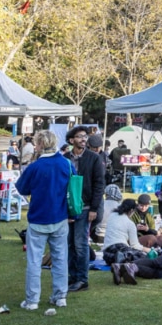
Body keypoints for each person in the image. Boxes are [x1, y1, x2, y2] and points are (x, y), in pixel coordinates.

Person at [15, 130, 72, 311]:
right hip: (60, 216)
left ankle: (32, 300)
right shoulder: (66, 164)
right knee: (60, 259)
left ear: (39, 145)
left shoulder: (35, 167)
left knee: (34, 261)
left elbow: (22, 189)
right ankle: (60, 296)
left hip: (39, 217)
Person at [64, 126, 105, 293]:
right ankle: (72, 276)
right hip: (68, 207)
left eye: (85, 136)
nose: (83, 139)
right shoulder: (65, 158)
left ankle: (82, 279)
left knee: (80, 244)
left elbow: (99, 184)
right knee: (69, 244)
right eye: (79, 136)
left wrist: (94, 208)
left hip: (86, 206)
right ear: (71, 140)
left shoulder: (93, 158)